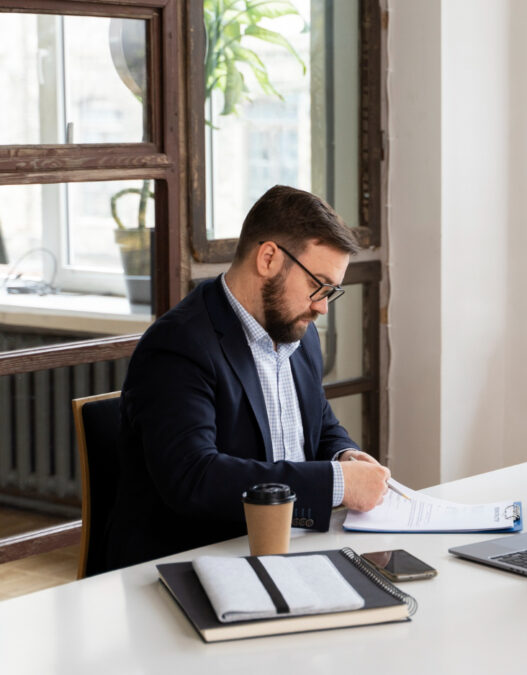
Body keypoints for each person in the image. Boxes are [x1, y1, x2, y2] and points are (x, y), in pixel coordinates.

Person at [106, 185, 391, 569]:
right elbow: (195, 477)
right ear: (269, 258)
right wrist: (338, 482)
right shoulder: (178, 345)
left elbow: (320, 424)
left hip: (289, 553)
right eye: (317, 285)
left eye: (331, 291)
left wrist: (345, 456)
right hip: (193, 567)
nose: (322, 307)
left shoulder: (297, 332)